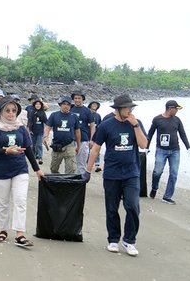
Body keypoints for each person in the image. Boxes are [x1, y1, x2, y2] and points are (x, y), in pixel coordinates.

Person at [84, 94, 148, 257]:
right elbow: (96, 149)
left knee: (133, 206)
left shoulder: (136, 123)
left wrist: (135, 126)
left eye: (131, 107)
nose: (130, 110)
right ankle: (113, 239)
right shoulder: (106, 126)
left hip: (132, 173)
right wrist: (88, 171)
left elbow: (143, 145)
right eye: (127, 107)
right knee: (112, 208)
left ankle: (129, 241)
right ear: (119, 109)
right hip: (112, 174)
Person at [0, 97, 44, 247]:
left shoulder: (21, 128)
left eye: (14, 111)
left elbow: (29, 149)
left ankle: (20, 234)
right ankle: (3, 230)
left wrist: (37, 169)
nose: (11, 113)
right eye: (7, 110)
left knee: (20, 201)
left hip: (20, 169)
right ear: (1, 111)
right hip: (0, 171)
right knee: (2, 203)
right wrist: (6, 151)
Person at [146, 100, 190, 205]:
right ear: (170, 108)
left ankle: (167, 196)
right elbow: (150, 134)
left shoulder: (177, 120)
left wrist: (188, 147)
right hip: (161, 150)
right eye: (176, 109)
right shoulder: (157, 119)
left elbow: (182, 134)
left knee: (174, 174)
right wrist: (146, 147)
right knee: (157, 172)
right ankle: (154, 187)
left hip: (175, 150)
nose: (177, 111)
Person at [43, 96, 80, 174]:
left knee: (71, 170)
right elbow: (47, 127)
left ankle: (67, 185)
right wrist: (45, 136)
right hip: (57, 145)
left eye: (68, 104)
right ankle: (58, 182)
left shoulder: (74, 116)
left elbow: (77, 132)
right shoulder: (54, 115)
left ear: (70, 106)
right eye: (64, 104)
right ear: (60, 105)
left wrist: (78, 146)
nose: (66, 106)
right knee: (53, 168)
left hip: (70, 145)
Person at [70, 91, 96, 174]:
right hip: (70, 139)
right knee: (71, 163)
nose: (77, 100)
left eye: (79, 98)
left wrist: (92, 139)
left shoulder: (87, 111)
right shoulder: (70, 108)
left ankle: (80, 182)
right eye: (75, 98)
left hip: (84, 139)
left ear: (83, 99)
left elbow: (92, 126)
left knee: (81, 163)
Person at [27, 98, 47, 164]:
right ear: (34, 105)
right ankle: (34, 156)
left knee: (39, 145)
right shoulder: (32, 112)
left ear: (41, 105)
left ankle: (40, 157)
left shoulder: (42, 112)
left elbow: (46, 121)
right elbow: (29, 121)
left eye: (39, 104)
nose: (38, 105)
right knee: (33, 145)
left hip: (40, 131)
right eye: (36, 104)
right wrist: (29, 130)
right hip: (33, 131)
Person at [88, 101, 103, 172]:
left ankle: (97, 165)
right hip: (87, 134)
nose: (94, 106)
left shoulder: (98, 115)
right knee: (87, 150)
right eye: (93, 104)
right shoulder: (86, 114)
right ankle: (87, 164)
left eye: (96, 105)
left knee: (96, 150)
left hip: (96, 135)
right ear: (90, 105)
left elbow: (100, 126)